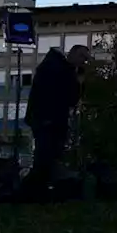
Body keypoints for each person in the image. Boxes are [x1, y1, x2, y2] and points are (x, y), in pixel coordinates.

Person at [22, 45, 88, 197]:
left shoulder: (53, 66)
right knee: (46, 157)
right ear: (74, 55)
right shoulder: (60, 70)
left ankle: (37, 191)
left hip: (46, 120)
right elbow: (70, 98)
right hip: (49, 120)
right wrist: (79, 82)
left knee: (46, 157)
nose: (83, 62)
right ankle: (33, 191)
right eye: (82, 58)